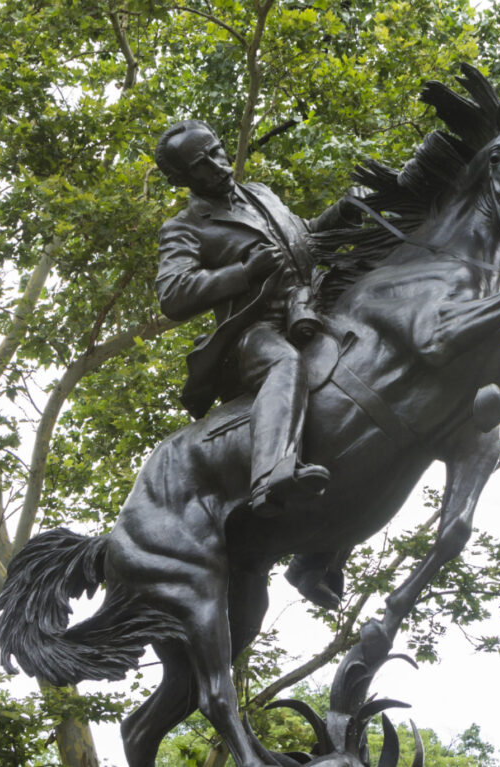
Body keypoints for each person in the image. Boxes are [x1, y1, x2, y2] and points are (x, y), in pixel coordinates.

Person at [153, 120, 350, 608]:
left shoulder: (261, 193)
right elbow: (173, 294)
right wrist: (242, 273)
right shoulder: (184, 228)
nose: (219, 166)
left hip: (312, 309)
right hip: (253, 334)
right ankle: (271, 477)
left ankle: (322, 554)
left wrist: (347, 208)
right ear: (184, 178)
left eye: (218, 153)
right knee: (286, 365)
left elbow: (304, 240)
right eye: (203, 165)